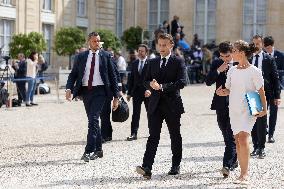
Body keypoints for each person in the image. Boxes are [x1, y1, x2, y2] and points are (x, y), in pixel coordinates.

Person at [136, 33, 187, 179]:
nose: (162, 47)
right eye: (160, 45)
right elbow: (144, 80)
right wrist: (150, 85)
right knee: (153, 136)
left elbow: (182, 82)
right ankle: (147, 167)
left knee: (175, 135)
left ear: (171, 45)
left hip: (172, 105)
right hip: (155, 105)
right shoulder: (151, 62)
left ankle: (175, 165)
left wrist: (162, 87)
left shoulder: (178, 61)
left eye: (165, 45)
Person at [216, 40, 267, 184]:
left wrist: (264, 109)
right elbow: (229, 89)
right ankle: (241, 172)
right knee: (237, 140)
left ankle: (245, 174)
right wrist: (222, 92)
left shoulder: (255, 71)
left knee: (244, 138)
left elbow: (261, 91)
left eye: (234, 51)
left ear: (242, 53)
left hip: (250, 106)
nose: (231, 54)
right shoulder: (232, 70)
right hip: (234, 108)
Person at [65, 32, 119, 162]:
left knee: (93, 119)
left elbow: (113, 76)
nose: (97, 43)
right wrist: (69, 88)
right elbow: (73, 74)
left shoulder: (106, 56)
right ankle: (99, 149)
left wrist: (116, 96)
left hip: (101, 92)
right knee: (93, 121)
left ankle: (88, 151)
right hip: (86, 92)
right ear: (89, 42)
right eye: (94, 41)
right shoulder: (81, 56)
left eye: (98, 41)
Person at [205, 41, 238, 178]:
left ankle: (226, 165)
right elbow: (208, 82)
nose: (225, 59)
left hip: (236, 103)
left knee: (230, 135)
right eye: (223, 56)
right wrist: (219, 70)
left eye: (228, 56)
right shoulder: (216, 63)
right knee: (225, 133)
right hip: (220, 103)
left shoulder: (239, 63)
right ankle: (233, 159)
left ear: (233, 53)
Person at [250, 35, 281, 159]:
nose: (256, 45)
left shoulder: (268, 58)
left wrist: (277, 95)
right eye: (254, 43)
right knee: (253, 120)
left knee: (262, 121)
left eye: (258, 43)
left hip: (265, 92)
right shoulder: (248, 58)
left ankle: (261, 147)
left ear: (262, 44)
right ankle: (255, 146)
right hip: (252, 93)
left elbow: (275, 77)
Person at [126, 44, 150, 141]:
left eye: (142, 51)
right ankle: (133, 133)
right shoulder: (135, 63)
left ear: (146, 52)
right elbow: (131, 79)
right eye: (139, 51)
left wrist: (150, 90)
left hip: (147, 92)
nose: (140, 53)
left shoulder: (151, 63)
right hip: (136, 92)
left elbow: (155, 78)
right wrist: (129, 93)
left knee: (150, 113)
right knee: (135, 113)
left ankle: (153, 132)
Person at [263, 36, 283, 143]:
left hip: (275, 89)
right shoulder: (261, 56)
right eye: (266, 48)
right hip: (263, 89)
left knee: (274, 113)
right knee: (262, 112)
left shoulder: (280, 55)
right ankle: (264, 129)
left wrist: (274, 71)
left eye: (269, 48)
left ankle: (271, 134)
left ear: (272, 46)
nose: (268, 50)